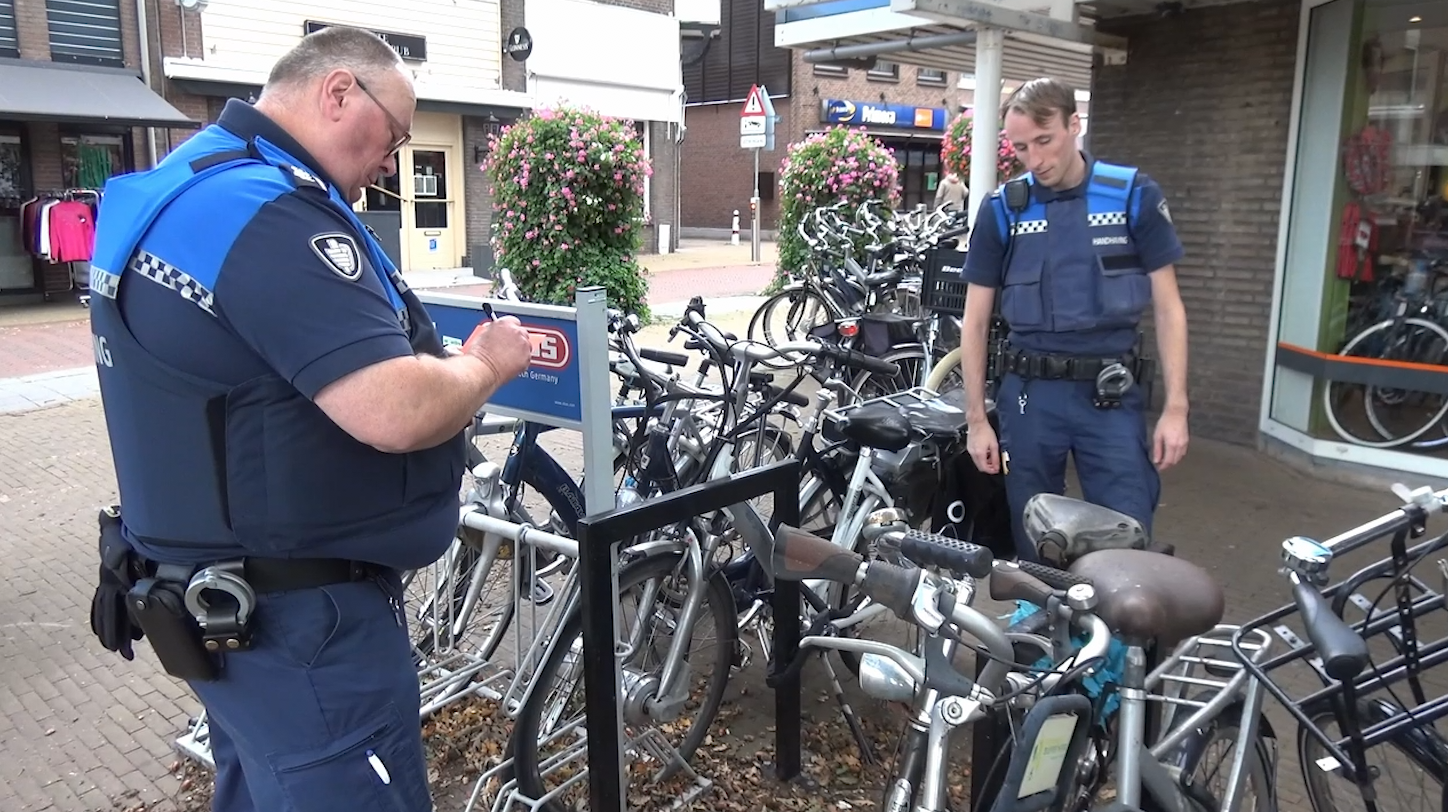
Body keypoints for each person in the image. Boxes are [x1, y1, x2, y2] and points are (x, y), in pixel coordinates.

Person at [84, 26, 532, 812]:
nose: (391, 163)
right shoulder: (268, 216)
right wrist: (487, 362)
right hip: (303, 638)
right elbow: (394, 409)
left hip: (220, 616)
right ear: (337, 93)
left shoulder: (180, 182)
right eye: (392, 136)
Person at [958, 77, 1190, 561]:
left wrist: (1176, 408)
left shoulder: (1132, 197)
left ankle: (1117, 635)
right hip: (1028, 399)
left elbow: (1169, 308)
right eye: (1021, 147)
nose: (1034, 159)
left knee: (1125, 533)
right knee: (1032, 537)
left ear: (1074, 125)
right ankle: (1034, 631)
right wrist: (977, 419)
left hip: (1109, 395)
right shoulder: (1003, 211)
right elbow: (975, 321)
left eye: (1045, 141)